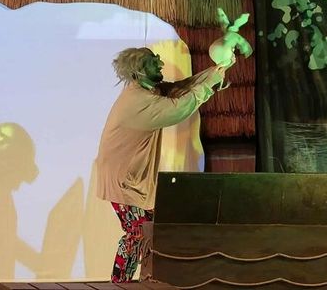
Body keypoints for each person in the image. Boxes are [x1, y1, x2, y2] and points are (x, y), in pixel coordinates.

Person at [96, 47, 231, 283]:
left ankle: (144, 281)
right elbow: (178, 108)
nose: (160, 63)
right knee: (138, 233)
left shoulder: (148, 90)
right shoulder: (138, 102)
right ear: (139, 71)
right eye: (152, 61)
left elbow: (181, 88)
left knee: (150, 231)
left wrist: (217, 71)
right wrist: (211, 82)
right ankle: (120, 283)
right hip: (124, 180)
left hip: (133, 179)